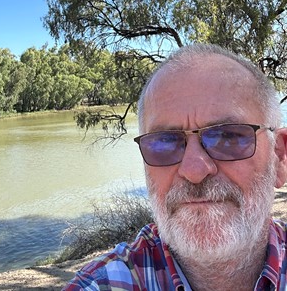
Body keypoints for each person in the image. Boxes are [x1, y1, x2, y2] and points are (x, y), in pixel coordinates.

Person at [63, 44, 287, 290]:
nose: (194, 171)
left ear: (279, 157)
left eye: (228, 137)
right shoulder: (104, 284)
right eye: (165, 142)